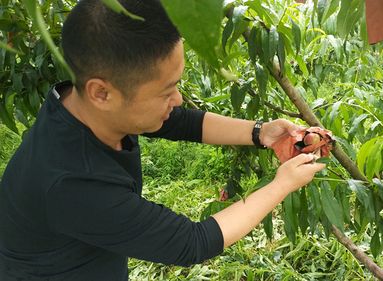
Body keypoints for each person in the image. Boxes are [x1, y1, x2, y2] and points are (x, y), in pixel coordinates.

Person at [0, 0, 325, 280]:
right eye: (166, 91)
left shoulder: (78, 102)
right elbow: (191, 243)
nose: (179, 99)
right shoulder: (72, 183)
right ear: (102, 93)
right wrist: (283, 184)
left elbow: (175, 121)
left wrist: (259, 133)